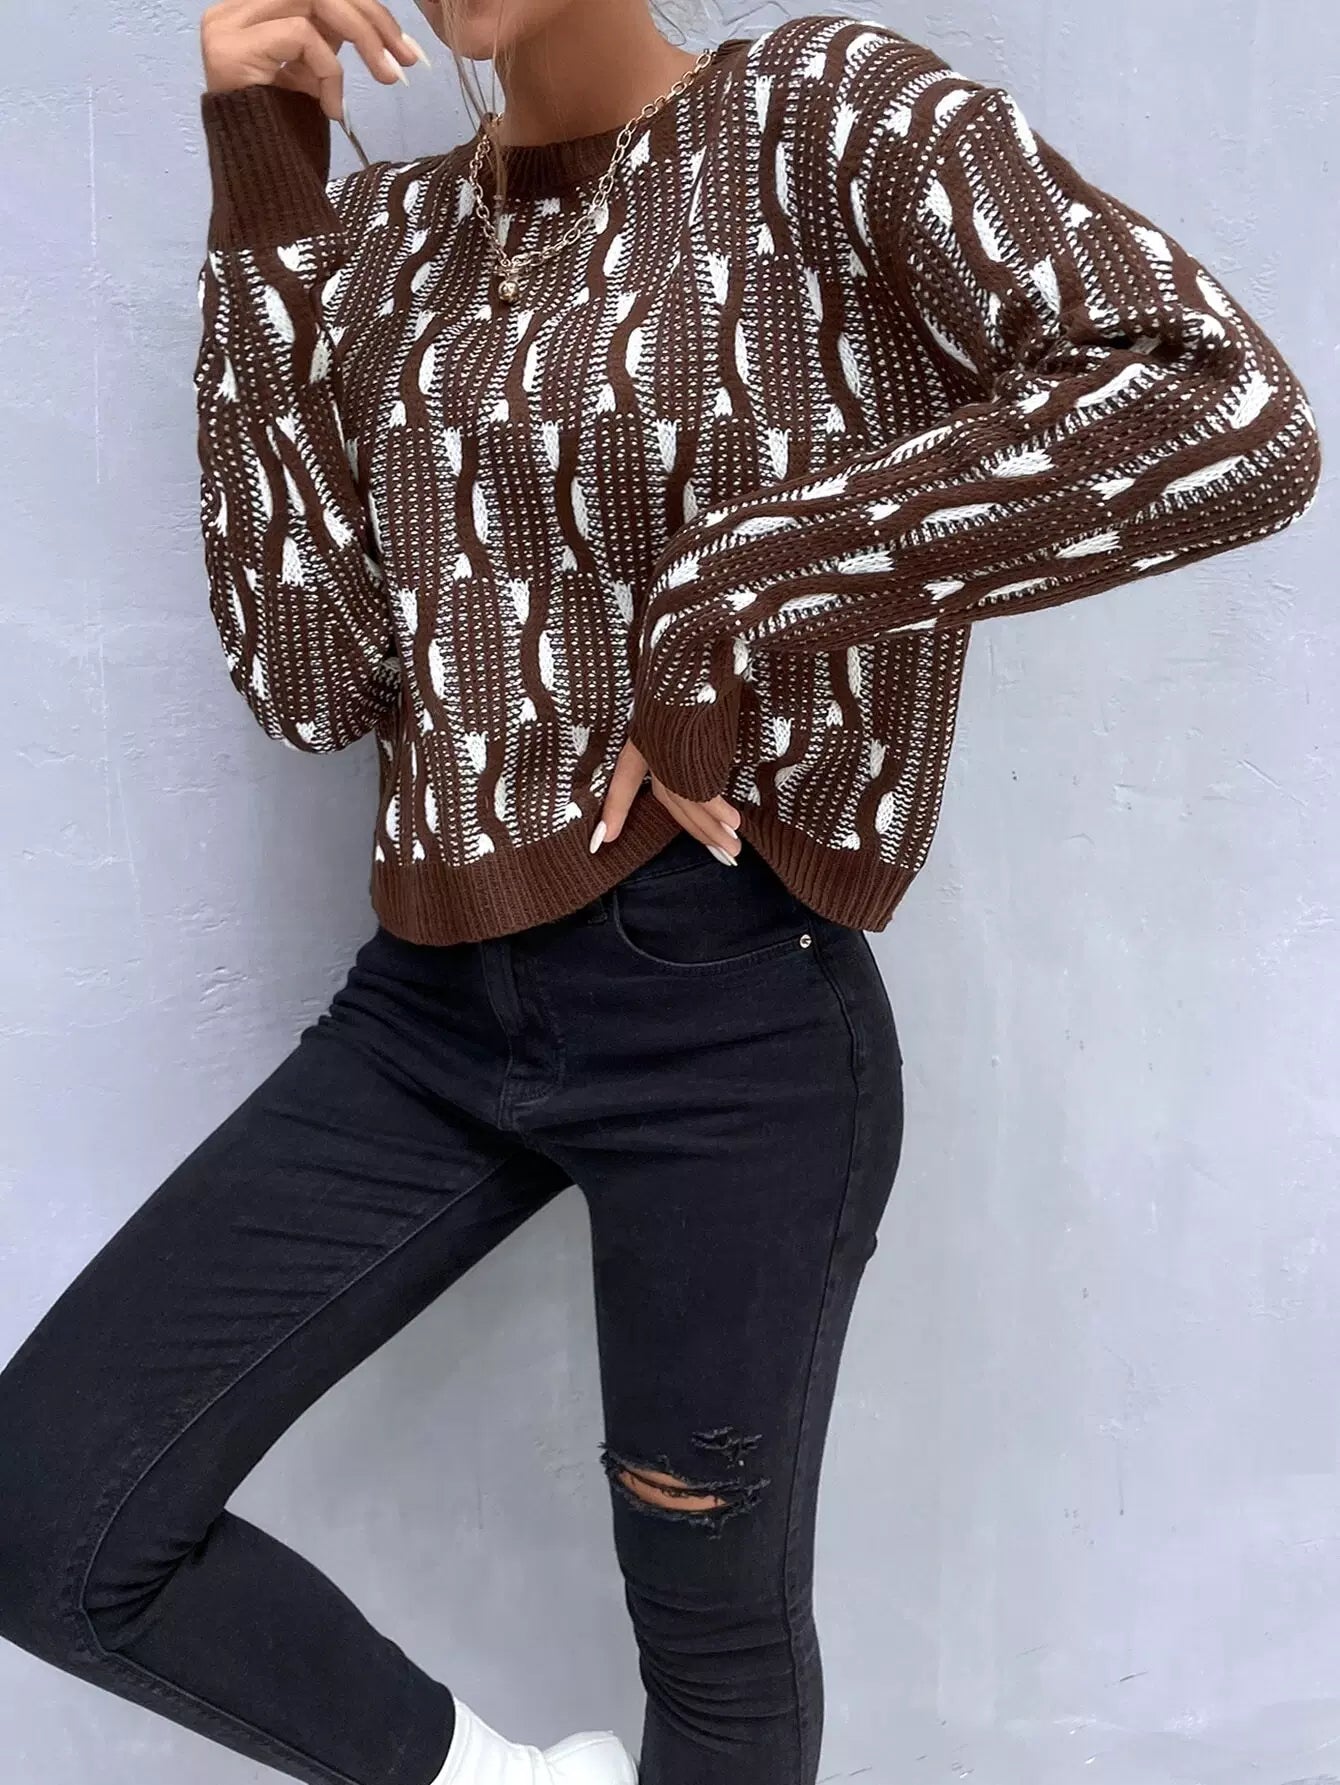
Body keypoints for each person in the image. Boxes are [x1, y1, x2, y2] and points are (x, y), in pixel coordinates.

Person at [0, 1, 1321, 1782]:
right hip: (427, 1014)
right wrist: (264, 175)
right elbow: (310, 676)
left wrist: (733, 593)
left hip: (733, 1015)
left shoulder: (825, 117)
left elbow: (1221, 407)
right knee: (51, 1505)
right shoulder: (400, 233)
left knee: (713, 1649)